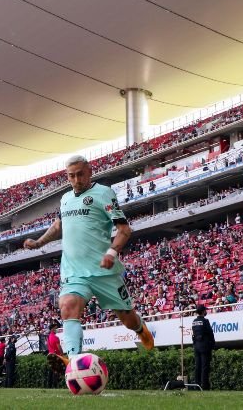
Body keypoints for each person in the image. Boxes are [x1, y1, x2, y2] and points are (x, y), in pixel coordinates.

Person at [23, 155, 154, 373]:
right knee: (67, 307)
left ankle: (141, 329)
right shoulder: (65, 199)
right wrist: (38, 243)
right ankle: (73, 362)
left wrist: (112, 253)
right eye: (71, 176)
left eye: (80, 174)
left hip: (104, 271)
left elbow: (124, 230)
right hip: (74, 272)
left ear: (90, 171)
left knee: (128, 319)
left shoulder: (104, 193)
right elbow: (59, 225)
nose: (76, 180)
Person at [191, 305, 215, 390]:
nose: (206, 312)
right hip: (205, 346)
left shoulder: (194, 321)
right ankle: (204, 386)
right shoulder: (205, 321)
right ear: (202, 311)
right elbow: (210, 333)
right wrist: (213, 344)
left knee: (198, 366)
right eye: (205, 310)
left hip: (196, 346)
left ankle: (197, 386)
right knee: (205, 367)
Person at [46, 323, 64, 388]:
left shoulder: (48, 337)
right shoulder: (56, 337)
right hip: (56, 356)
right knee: (57, 372)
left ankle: (49, 386)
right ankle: (56, 386)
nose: (56, 329)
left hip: (50, 355)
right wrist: (62, 354)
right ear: (52, 329)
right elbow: (59, 347)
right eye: (56, 328)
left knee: (51, 372)